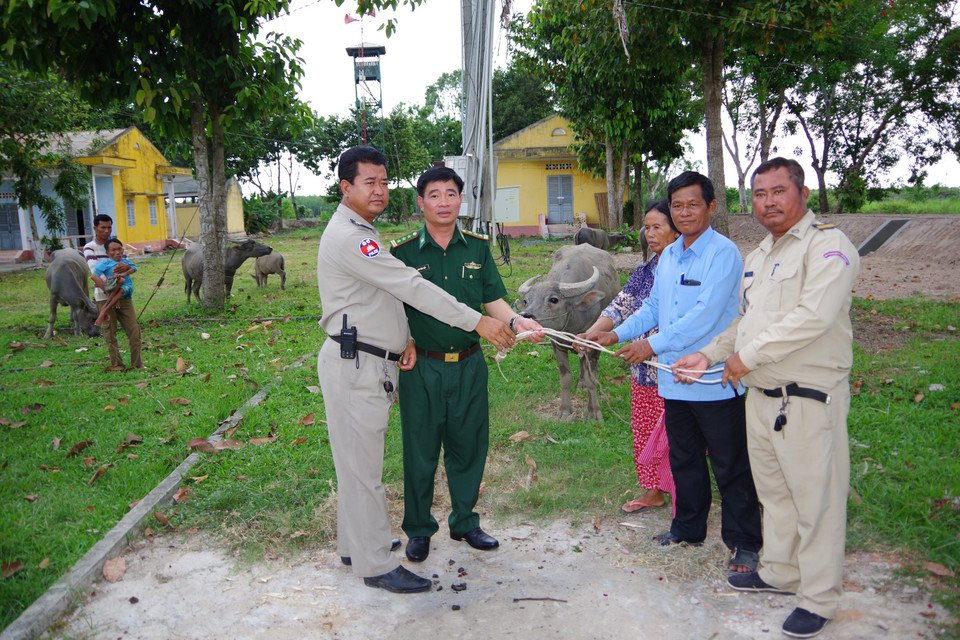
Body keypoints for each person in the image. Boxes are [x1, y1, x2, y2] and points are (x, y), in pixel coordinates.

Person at [316, 146, 517, 595]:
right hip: (358, 363)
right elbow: (409, 286)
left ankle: (355, 545)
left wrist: (403, 335)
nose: (380, 190)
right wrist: (478, 321)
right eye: (370, 182)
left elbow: (384, 297)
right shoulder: (354, 237)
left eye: (384, 182)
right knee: (364, 469)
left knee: (355, 464)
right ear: (345, 187)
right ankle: (374, 564)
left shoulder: (359, 230)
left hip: (371, 359)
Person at [673, 158, 860, 639]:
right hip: (760, 396)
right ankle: (780, 570)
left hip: (807, 398)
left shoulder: (828, 247)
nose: (769, 201)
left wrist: (745, 357)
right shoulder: (760, 255)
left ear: (801, 193)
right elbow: (744, 321)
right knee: (775, 495)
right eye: (759, 194)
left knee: (815, 499)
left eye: (779, 190)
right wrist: (710, 355)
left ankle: (818, 597)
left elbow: (811, 317)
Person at [583, 171, 762, 573]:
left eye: (693, 204)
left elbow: (707, 315)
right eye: (677, 205)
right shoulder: (670, 256)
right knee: (684, 460)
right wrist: (616, 335)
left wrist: (651, 344)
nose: (684, 212)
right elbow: (652, 309)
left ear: (711, 207)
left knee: (730, 464)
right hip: (673, 381)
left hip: (714, 380)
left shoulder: (724, 254)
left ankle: (745, 542)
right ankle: (687, 528)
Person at [389, 167, 543, 564]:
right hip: (421, 366)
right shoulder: (402, 253)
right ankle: (419, 528)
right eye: (434, 195)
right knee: (420, 450)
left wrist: (516, 321)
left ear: (461, 200)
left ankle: (465, 521)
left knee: (469, 446)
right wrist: (403, 339)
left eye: (451, 193)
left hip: (469, 365)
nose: (443, 202)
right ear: (421, 202)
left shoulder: (477, 247)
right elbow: (390, 310)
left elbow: (493, 301)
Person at [579, 199, 680, 515]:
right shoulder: (646, 270)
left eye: (657, 227)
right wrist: (593, 333)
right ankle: (654, 491)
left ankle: (686, 495)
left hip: (680, 369)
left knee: (681, 435)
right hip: (645, 369)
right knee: (647, 429)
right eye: (646, 228)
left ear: (678, 229)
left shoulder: (689, 269)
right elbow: (620, 307)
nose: (649, 234)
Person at [89, 238, 143, 369]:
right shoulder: (104, 263)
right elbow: (94, 276)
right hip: (105, 299)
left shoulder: (126, 262)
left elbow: (134, 269)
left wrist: (126, 269)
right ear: (107, 253)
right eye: (113, 250)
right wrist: (108, 292)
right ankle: (117, 364)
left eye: (119, 249)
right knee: (110, 332)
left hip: (125, 298)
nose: (117, 252)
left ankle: (137, 364)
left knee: (134, 331)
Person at [83, 214, 116, 308]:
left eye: (109, 228)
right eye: (103, 227)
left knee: (131, 323)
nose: (106, 231)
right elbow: (96, 272)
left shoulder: (116, 245)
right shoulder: (90, 247)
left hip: (122, 292)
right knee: (108, 322)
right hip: (102, 295)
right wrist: (110, 291)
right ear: (95, 228)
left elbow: (125, 266)